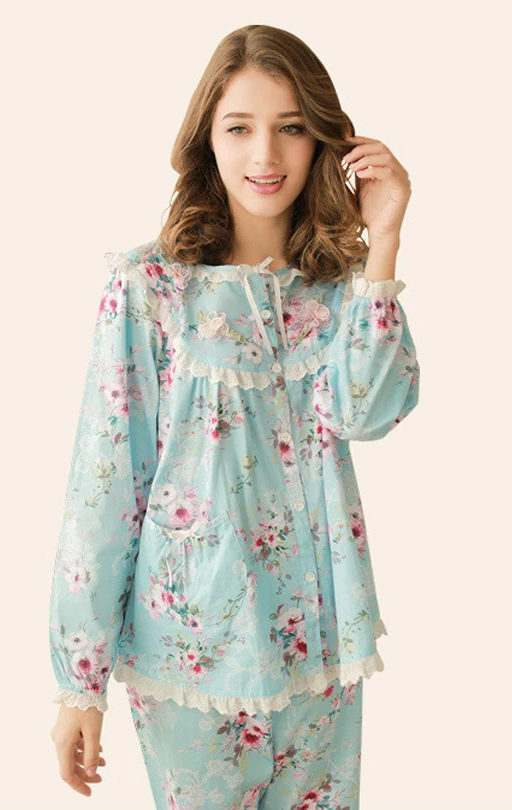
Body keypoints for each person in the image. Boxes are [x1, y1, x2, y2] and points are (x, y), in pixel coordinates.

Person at [48, 23, 420, 809]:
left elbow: (369, 411)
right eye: (240, 128)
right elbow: (105, 487)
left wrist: (383, 238)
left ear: (322, 140)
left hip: (321, 650)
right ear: (206, 141)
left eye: (291, 128)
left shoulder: (343, 289)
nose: (266, 155)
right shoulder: (151, 290)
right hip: (190, 657)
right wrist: (80, 681)